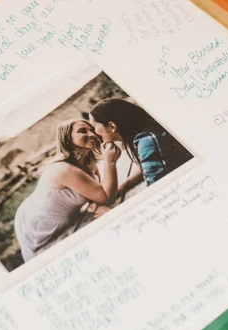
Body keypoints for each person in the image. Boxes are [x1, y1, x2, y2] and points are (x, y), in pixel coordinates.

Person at [14, 119, 119, 262]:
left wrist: (96, 202)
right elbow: (106, 196)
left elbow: (98, 194)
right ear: (67, 139)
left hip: (55, 214)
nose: (91, 134)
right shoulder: (63, 169)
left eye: (92, 130)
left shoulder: (88, 162)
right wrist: (110, 161)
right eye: (83, 131)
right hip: (39, 223)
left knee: (105, 212)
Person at [90, 99, 192, 187]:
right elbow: (147, 167)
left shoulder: (147, 141)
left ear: (112, 126)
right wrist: (124, 187)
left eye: (94, 126)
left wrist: (109, 161)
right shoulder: (145, 136)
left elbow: (155, 185)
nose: (95, 132)